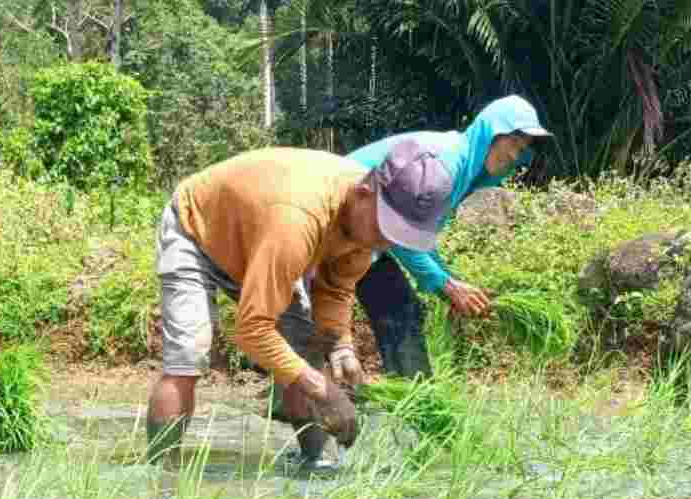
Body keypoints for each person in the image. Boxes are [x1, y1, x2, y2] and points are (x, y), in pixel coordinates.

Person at [145, 138, 455, 466]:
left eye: (400, 235)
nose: (387, 241)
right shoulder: (297, 220)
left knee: (307, 349)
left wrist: (341, 348)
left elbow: (335, 290)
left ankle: (313, 465)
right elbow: (252, 329)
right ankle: (161, 474)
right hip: (198, 230)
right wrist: (321, 388)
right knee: (189, 356)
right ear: (365, 193)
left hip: (263, 245)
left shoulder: (367, 227)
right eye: (388, 229)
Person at [348, 94, 553, 379]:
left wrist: (450, 282)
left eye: (522, 150)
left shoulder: (462, 170)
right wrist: (447, 286)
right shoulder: (446, 163)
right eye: (513, 144)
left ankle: (417, 405)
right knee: (307, 320)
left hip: (364, 237)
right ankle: (292, 407)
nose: (514, 156)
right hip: (335, 223)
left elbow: (417, 237)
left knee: (400, 307)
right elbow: (400, 233)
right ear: (492, 133)